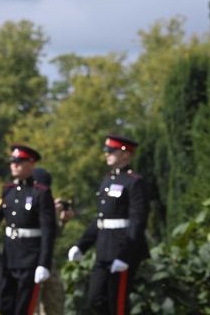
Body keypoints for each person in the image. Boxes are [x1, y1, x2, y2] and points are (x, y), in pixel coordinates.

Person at [67, 134, 148, 315]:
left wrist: (126, 255)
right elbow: (101, 219)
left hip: (123, 248)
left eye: (111, 151)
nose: (106, 154)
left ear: (125, 154)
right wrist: (82, 245)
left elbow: (138, 221)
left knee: (117, 304)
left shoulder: (134, 182)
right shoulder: (107, 180)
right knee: (95, 300)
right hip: (104, 248)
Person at [0, 145, 56, 315]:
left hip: (30, 258)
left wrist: (44, 263)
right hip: (9, 256)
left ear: (31, 164)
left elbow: (48, 231)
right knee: (4, 304)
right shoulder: (8, 190)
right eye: (13, 161)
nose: (14, 165)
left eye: (19, 161)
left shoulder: (40, 193)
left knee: (23, 308)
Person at [31, 168, 74, 315]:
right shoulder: (26, 199)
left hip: (47, 259)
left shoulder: (45, 201)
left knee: (55, 300)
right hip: (28, 258)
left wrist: (61, 220)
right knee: (31, 305)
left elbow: (50, 235)